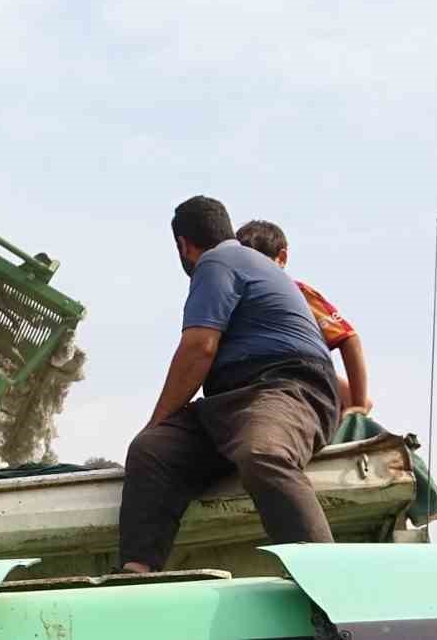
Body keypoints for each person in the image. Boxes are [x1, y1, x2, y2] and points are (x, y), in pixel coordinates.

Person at [118, 196, 340, 574]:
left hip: (285, 387)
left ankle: (326, 578)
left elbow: (199, 348)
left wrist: (157, 417)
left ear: (183, 246)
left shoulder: (218, 261)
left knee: (262, 452)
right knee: (151, 449)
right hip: (229, 402)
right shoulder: (244, 263)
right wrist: (158, 430)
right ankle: (137, 570)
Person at [235, 219, 372, 414]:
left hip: (301, 380)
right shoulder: (235, 297)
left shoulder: (296, 293)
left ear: (281, 258)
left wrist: (358, 408)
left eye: (261, 264)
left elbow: (348, 338)